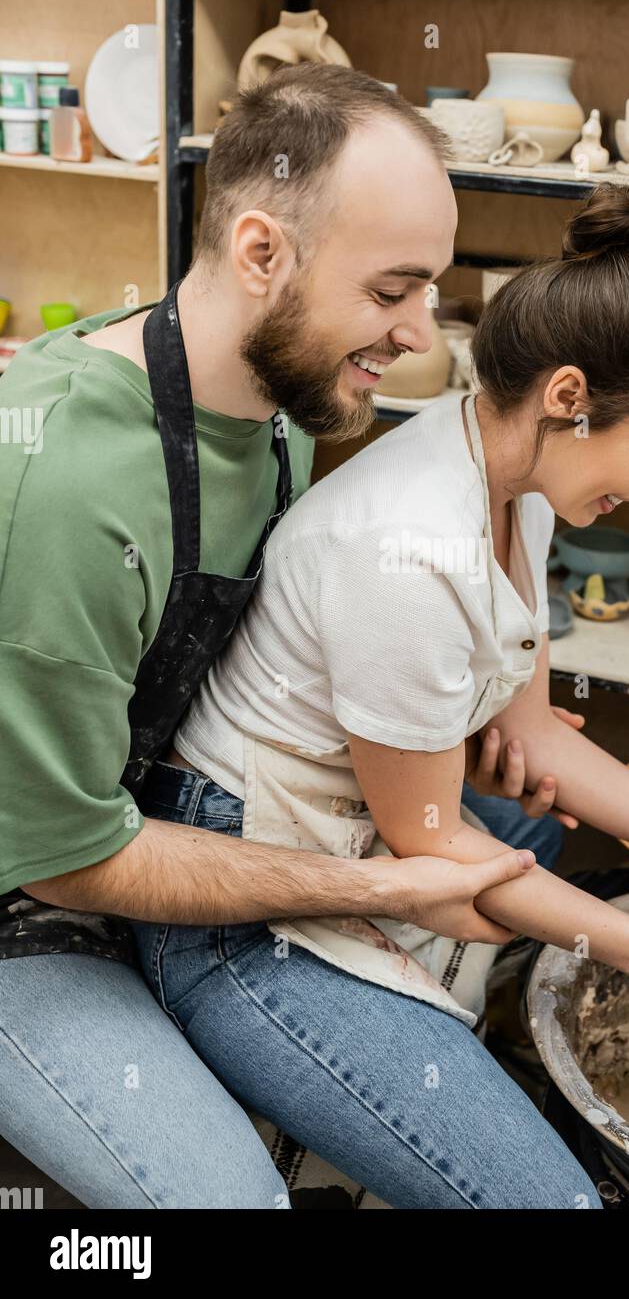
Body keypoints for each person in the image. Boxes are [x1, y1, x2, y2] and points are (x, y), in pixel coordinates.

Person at [131, 174, 629, 1209]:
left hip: (360, 832)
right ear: (568, 396)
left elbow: (534, 739)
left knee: (538, 837)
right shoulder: (407, 550)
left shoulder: (518, 486)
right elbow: (437, 845)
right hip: (240, 897)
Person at [0, 64, 570, 1209]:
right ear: (262, 253)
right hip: (31, 888)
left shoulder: (274, 410)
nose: (419, 337)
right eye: (392, 292)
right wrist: (369, 886)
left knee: (524, 845)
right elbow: (65, 856)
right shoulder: (69, 489)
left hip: (145, 809)